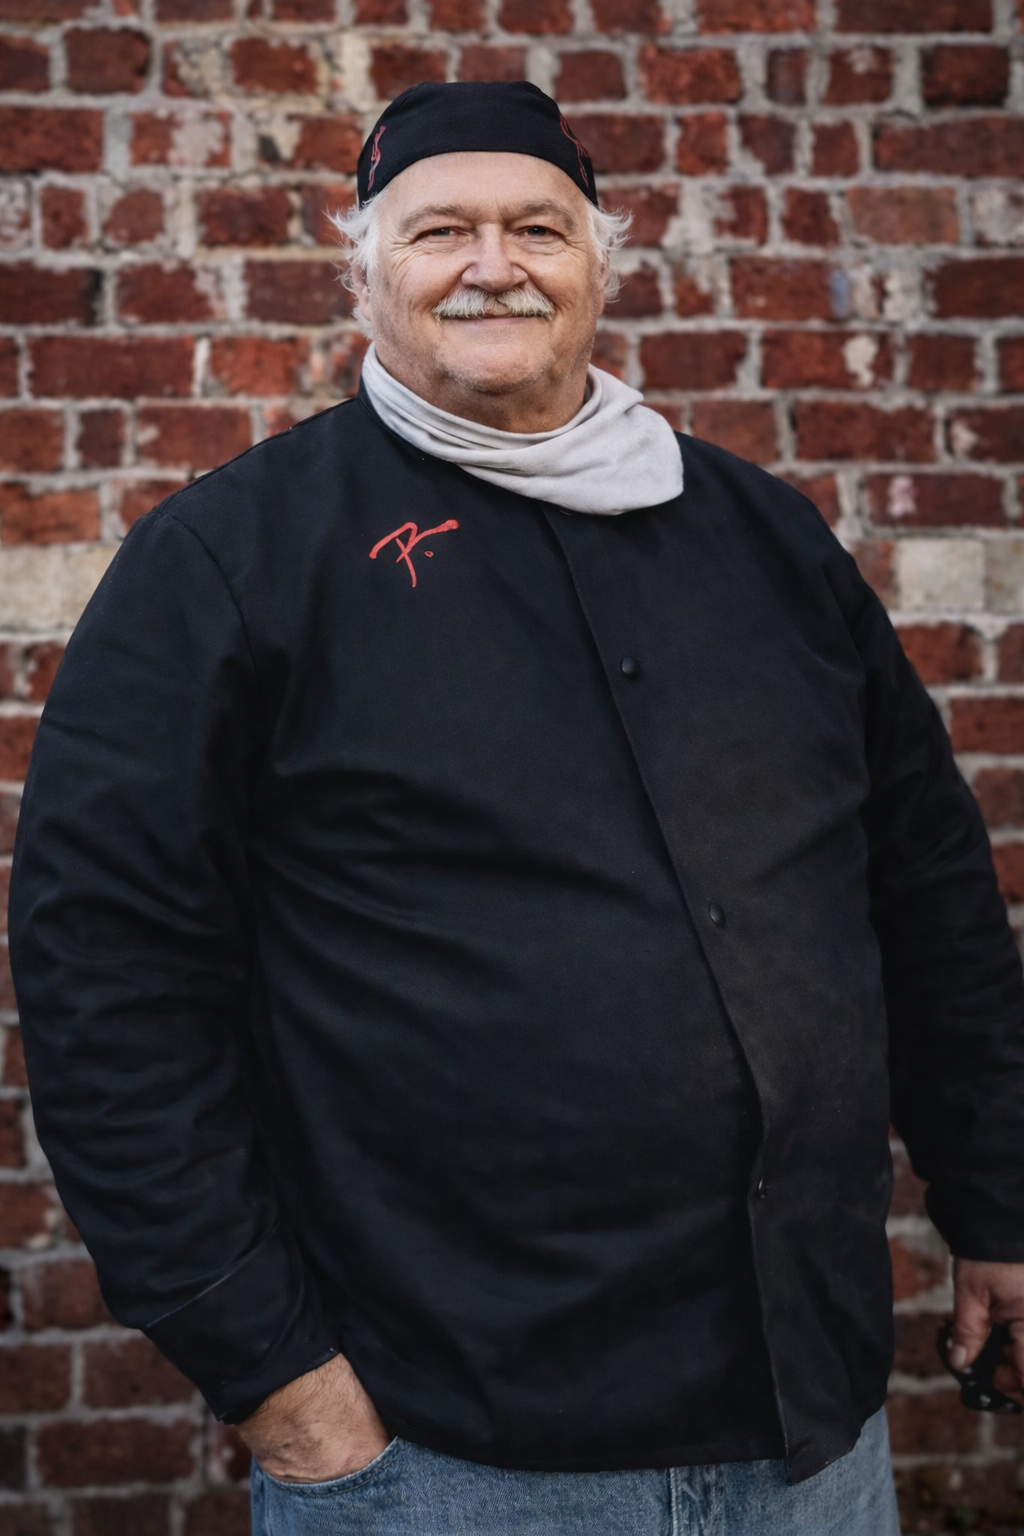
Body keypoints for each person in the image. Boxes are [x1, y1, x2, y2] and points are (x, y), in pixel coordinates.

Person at [8, 79, 1024, 1536]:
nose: (495, 263)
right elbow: (107, 978)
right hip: (449, 1452)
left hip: (812, 1431)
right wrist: (276, 1377)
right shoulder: (230, 562)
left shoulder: (765, 539)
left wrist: (998, 1199)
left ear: (603, 259)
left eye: (539, 227)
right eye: (441, 231)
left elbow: (924, 885)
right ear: (358, 265)